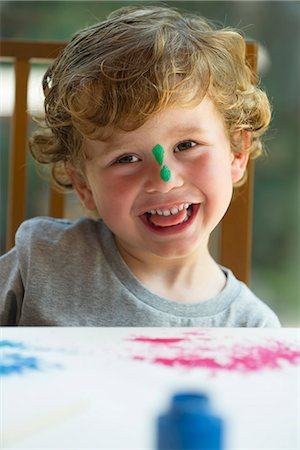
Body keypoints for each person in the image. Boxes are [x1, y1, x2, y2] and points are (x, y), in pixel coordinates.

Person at [0, 5, 280, 326]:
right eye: (127, 159)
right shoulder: (41, 261)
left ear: (237, 153)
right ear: (83, 186)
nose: (164, 180)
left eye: (186, 146)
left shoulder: (251, 328)